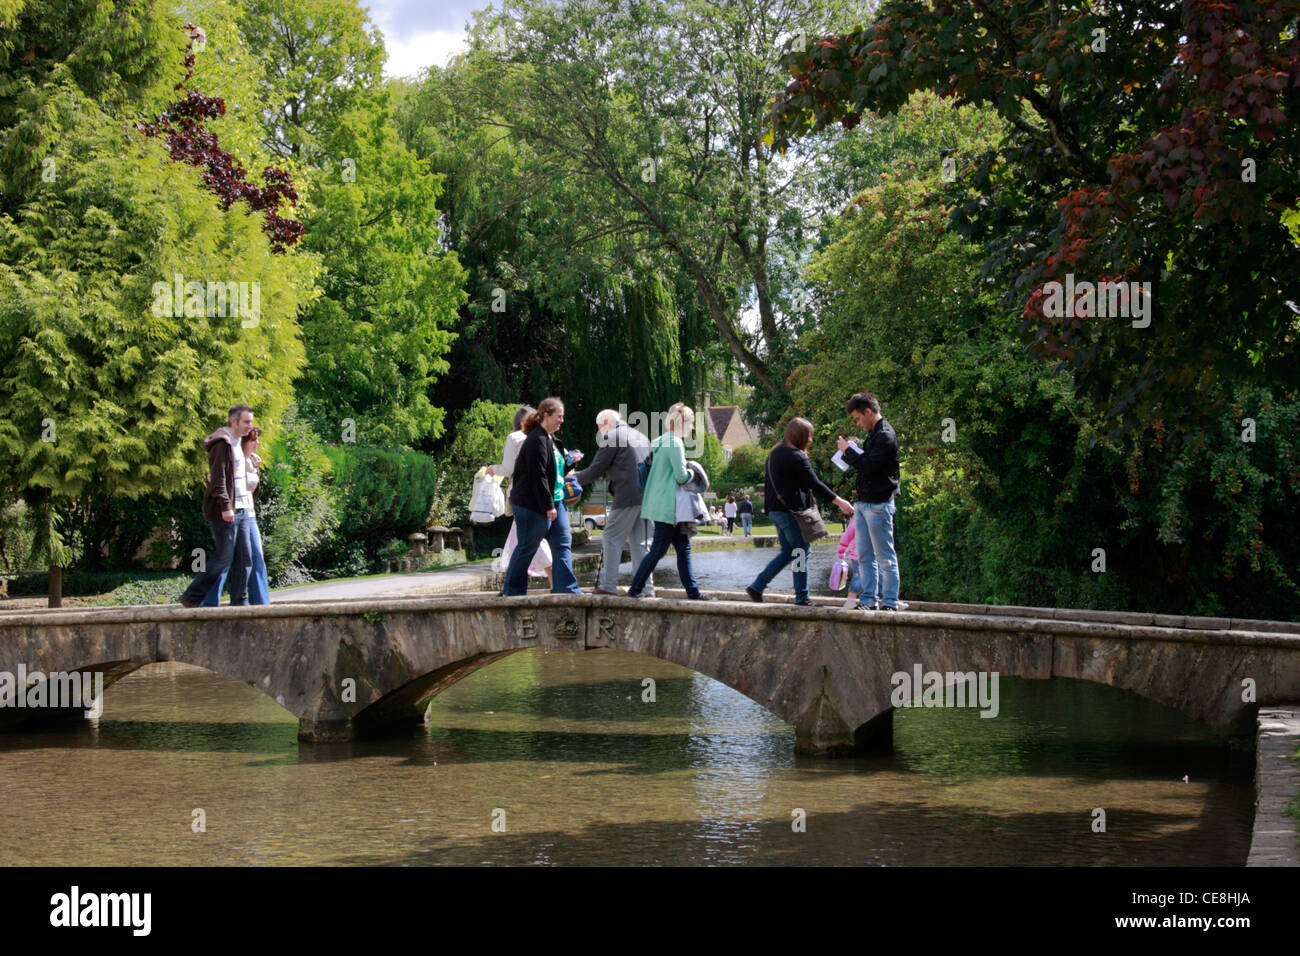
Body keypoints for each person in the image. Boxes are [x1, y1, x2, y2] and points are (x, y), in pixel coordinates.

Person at [746, 417, 853, 606]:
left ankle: (757, 586)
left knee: (789, 551)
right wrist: (839, 501)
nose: (811, 440)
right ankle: (802, 596)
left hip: (775, 510)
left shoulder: (774, 453)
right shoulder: (796, 456)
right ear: (801, 437)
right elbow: (814, 483)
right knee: (802, 552)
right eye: (809, 436)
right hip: (790, 512)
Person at [625, 403, 712, 600]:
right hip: (670, 505)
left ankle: (693, 592)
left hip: (659, 502)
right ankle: (635, 590)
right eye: (690, 423)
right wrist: (694, 471)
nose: (692, 427)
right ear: (682, 422)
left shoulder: (659, 441)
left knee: (682, 547)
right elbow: (681, 477)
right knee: (659, 550)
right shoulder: (675, 443)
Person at [502, 397, 582, 596]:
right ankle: (512, 591)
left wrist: (572, 462)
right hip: (532, 504)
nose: (562, 420)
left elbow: (555, 471)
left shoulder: (552, 439)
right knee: (527, 546)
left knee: (563, 543)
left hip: (555, 500)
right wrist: (548, 507)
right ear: (546, 415)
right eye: (559, 416)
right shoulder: (536, 439)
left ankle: (566, 589)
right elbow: (539, 476)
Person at [179, 404, 256, 608]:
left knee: (245, 558)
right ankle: (192, 596)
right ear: (234, 421)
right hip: (226, 511)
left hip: (242, 509)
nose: (250, 426)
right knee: (224, 556)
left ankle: (240, 601)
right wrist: (225, 506)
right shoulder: (222, 444)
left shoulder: (238, 442)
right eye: (247, 422)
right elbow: (218, 479)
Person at [574, 408, 655, 596]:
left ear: (604, 424)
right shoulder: (641, 436)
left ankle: (608, 586)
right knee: (641, 544)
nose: (600, 432)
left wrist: (571, 478)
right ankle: (647, 589)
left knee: (611, 538)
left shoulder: (612, 436)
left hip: (627, 496)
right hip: (647, 497)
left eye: (599, 428)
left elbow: (596, 470)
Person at [837, 392, 902, 611]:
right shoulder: (874, 434)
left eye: (858, 418)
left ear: (867, 411)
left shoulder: (884, 435)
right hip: (864, 503)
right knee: (864, 556)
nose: (858, 423)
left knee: (884, 555)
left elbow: (871, 466)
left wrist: (847, 451)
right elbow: (867, 462)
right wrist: (854, 451)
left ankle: (890, 601)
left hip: (879, 503)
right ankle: (868, 600)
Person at [204, 427, 270, 605]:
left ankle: (260, 603)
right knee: (226, 559)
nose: (257, 443)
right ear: (244, 441)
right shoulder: (231, 458)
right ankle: (208, 601)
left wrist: (254, 469)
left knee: (256, 558)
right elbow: (214, 479)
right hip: (233, 514)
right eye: (253, 440)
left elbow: (251, 491)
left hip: (250, 514)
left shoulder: (250, 461)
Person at [491, 405, 553, 587]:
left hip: (521, 496)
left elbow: (508, 468)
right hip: (542, 496)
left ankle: (515, 585)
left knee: (528, 541)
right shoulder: (545, 437)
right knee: (521, 540)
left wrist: (491, 469)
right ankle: (515, 583)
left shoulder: (515, 437)